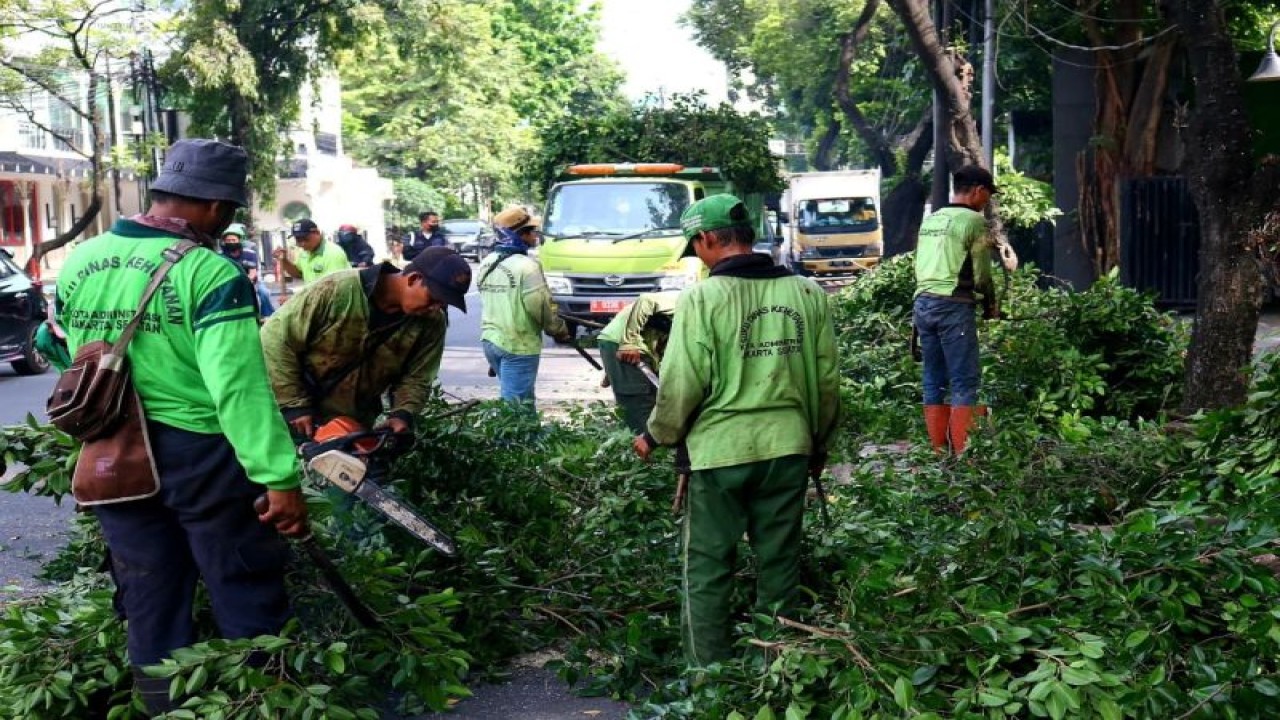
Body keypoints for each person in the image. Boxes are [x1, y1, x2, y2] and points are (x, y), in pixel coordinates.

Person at [44, 139, 306, 715]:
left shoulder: (81, 262)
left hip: (112, 452)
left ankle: (169, 711)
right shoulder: (211, 272)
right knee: (245, 588)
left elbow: (56, 349)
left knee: (150, 598)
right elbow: (237, 389)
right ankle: (261, 705)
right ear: (216, 208)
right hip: (201, 456)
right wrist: (279, 476)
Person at [633, 194, 841, 667]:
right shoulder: (808, 293)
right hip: (789, 447)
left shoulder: (704, 297)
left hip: (719, 455)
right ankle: (776, 672)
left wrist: (656, 434)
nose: (699, 257)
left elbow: (682, 383)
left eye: (697, 247)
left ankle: (710, 680)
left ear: (706, 239)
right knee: (780, 565)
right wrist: (819, 442)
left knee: (707, 569)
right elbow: (827, 382)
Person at [260, 246, 471, 437]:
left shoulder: (431, 323)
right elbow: (276, 340)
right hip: (289, 415)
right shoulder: (336, 290)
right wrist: (293, 404)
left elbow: (418, 376)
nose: (436, 308)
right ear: (413, 279)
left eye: (443, 303)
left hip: (353, 426)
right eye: (434, 299)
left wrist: (402, 414)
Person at [913, 165, 1000, 454]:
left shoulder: (932, 219)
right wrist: (991, 305)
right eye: (987, 196)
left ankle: (939, 453)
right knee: (965, 380)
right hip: (953, 306)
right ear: (978, 191)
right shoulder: (974, 221)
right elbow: (982, 275)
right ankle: (964, 457)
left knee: (933, 378)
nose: (986, 203)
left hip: (923, 304)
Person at [476, 206, 571, 404]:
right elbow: (540, 307)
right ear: (521, 234)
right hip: (518, 345)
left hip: (491, 341)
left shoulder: (487, 262)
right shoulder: (527, 266)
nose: (535, 236)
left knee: (519, 401)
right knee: (516, 411)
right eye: (532, 231)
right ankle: (510, 437)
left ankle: (527, 435)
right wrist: (559, 330)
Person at [596, 290, 679, 434]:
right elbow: (646, 300)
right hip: (623, 345)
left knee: (655, 402)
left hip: (640, 347)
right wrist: (629, 343)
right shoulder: (692, 300)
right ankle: (638, 449)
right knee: (640, 408)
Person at [220, 222, 275, 317]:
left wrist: (245, 283)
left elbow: (253, 273)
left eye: (233, 240)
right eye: (228, 240)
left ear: (240, 240)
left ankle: (268, 316)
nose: (231, 243)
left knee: (264, 293)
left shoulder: (249, 253)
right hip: (229, 282)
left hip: (251, 281)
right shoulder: (221, 256)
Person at [272, 218, 349, 283]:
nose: (302, 244)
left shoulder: (333, 253)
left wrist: (297, 300)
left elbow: (333, 289)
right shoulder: (305, 252)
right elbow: (299, 274)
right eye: (298, 239)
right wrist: (284, 260)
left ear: (317, 233)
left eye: (305, 238)